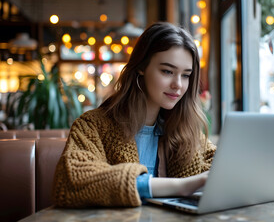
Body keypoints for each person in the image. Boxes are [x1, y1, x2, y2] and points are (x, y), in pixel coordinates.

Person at [52, 22, 216, 208]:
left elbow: (222, 166)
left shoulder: (184, 130)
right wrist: (181, 186)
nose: (178, 84)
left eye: (186, 75)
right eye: (167, 71)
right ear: (141, 67)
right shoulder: (92, 126)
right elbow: (72, 181)